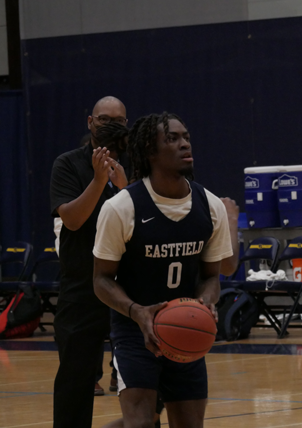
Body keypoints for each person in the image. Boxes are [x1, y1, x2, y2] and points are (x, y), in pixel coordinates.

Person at [93, 112, 233, 428]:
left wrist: (204, 303)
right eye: (172, 138)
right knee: (141, 423)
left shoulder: (210, 205)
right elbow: (101, 280)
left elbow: (212, 276)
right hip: (135, 330)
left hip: (185, 328)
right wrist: (137, 311)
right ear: (149, 151)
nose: (184, 144)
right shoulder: (121, 208)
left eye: (186, 137)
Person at [50, 96, 130, 428]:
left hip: (128, 288)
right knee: (75, 382)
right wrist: (99, 181)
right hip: (82, 287)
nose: (109, 124)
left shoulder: (137, 164)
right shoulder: (68, 164)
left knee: (142, 380)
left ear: (126, 125)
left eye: (117, 120)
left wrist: (125, 187)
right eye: (103, 118)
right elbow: (72, 220)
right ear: (89, 122)